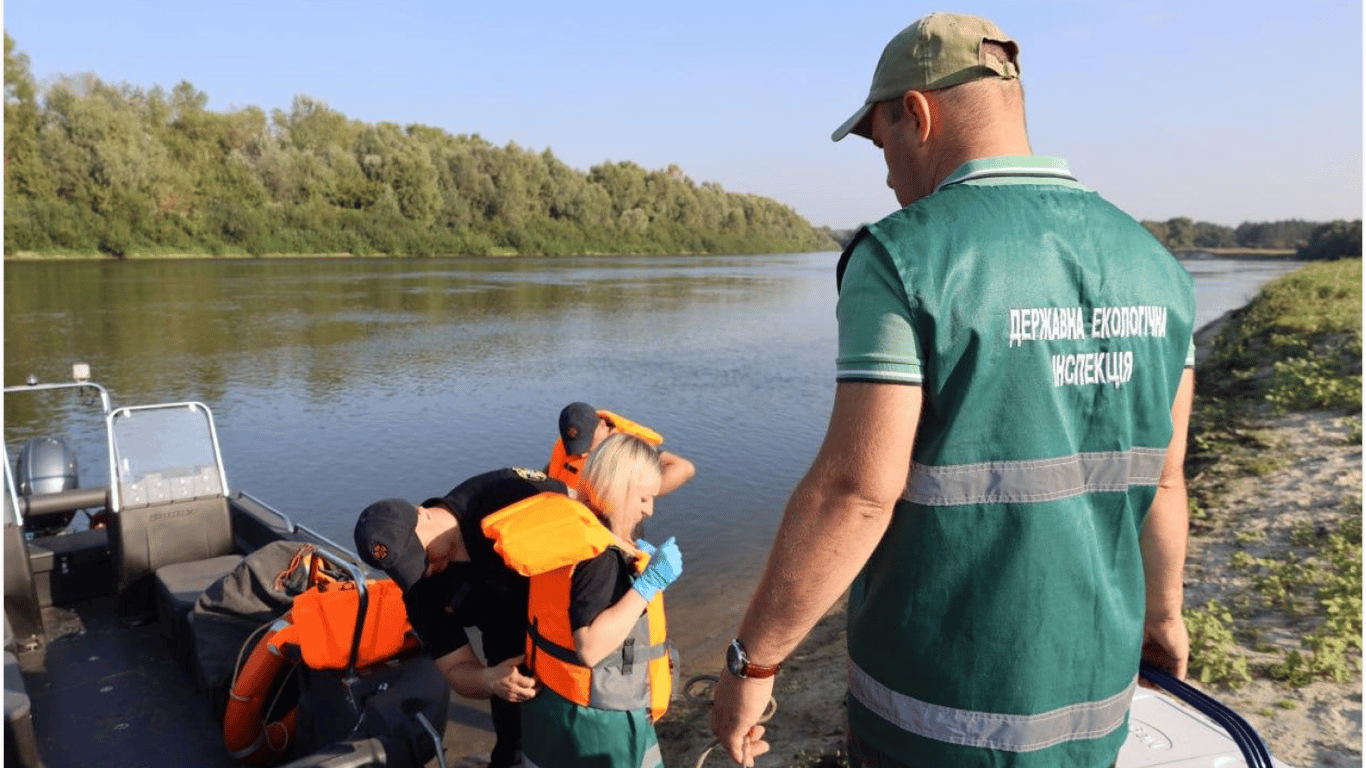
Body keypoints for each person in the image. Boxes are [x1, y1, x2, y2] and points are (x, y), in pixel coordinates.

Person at [710, 12, 1196, 768]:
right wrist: (1163, 617)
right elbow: (1164, 481)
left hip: (935, 718)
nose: (886, 175)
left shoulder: (902, 257)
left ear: (918, 113)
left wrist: (752, 664)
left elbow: (855, 494)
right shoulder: (1156, 264)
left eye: (882, 144)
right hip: (1095, 706)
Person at [486, 433, 682, 767]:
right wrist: (648, 585)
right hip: (598, 720)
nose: (649, 510)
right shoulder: (600, 556)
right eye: (644, 498)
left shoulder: (566, 533)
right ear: (618, 489)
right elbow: (589, 648)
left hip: (551, 705)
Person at [353, 467, 569, 768]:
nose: (425, 569)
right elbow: (456, 668)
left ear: (423, 514)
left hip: (571, 639)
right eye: (408, 568)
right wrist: (490, 680)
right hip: (512, 667)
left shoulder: (502, 492)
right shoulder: (419, 589)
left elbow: (590, 519)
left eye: (421, 555)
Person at [549, 401, 695, 496]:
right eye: (577, 446)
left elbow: (684, 468)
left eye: (587, 443)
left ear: (602, 425)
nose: (582, 452)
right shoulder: (568, 446)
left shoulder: (626, 446)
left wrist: (639, 497)